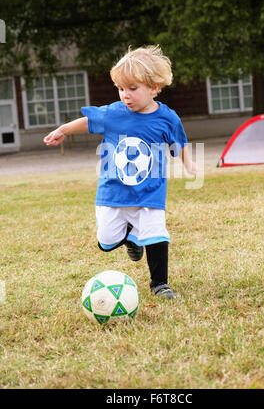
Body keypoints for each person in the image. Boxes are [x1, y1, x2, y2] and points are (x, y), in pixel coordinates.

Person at [44, 45, 197, 299]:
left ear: (154, 87)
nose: (125, 95)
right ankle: (130, 238)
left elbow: (178, 143)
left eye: (132, 89)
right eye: (121, 88)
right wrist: (63, 130)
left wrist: (188, 164)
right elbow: (88, 121)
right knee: (105, 242)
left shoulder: (167, 118)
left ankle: (160, 284)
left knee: (156, 234)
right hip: (112, 192)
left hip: (149, 193)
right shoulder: (114, 113)